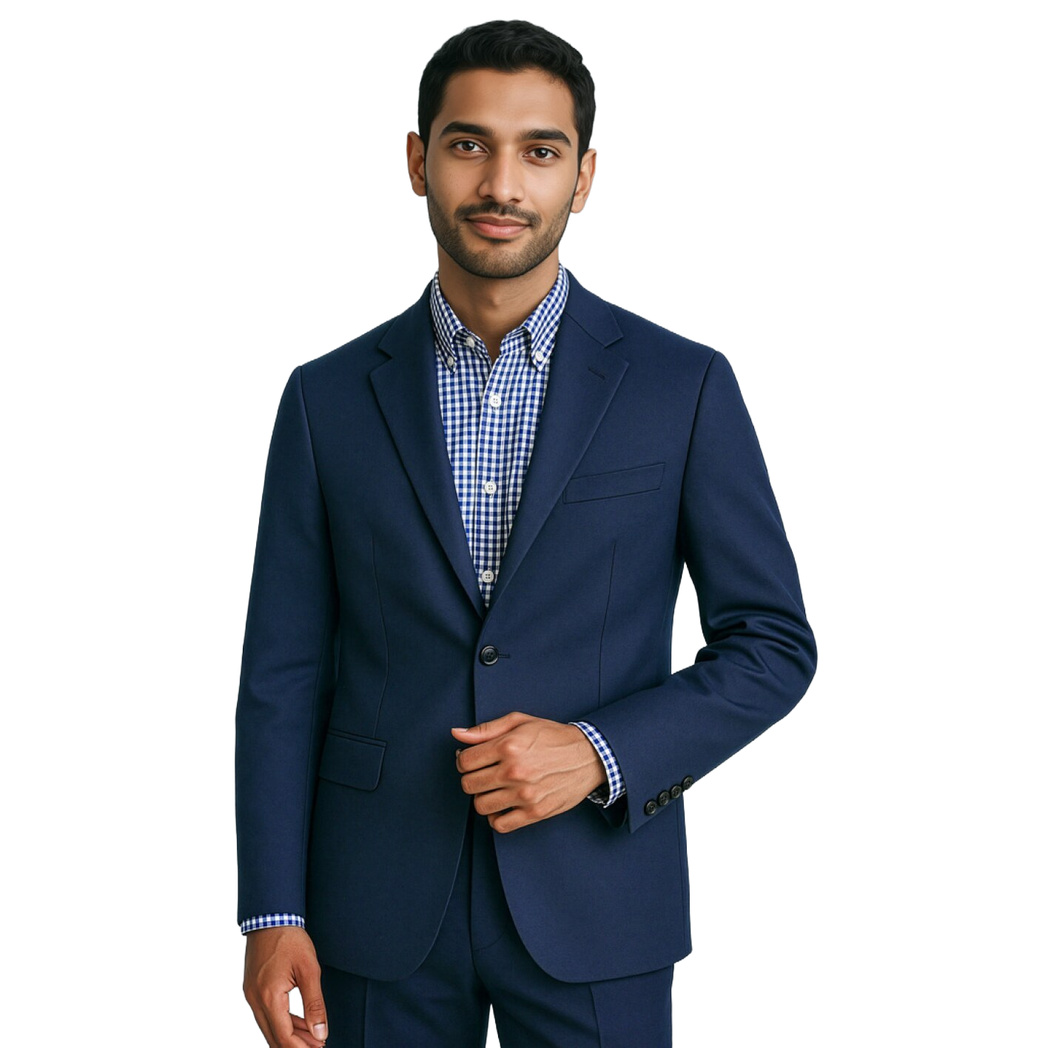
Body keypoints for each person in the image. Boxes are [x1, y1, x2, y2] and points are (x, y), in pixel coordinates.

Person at [235, 18, 817, 1048]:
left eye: (539, 151)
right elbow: (283, 674)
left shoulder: (681, 387)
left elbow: (771, 644)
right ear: (417, 161)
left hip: (598, 896)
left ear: (583, 177)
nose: (501, 183)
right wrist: (271, 910)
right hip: (372, 905)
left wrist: (598, 753)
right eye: (469, 144)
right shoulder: (325, 399)